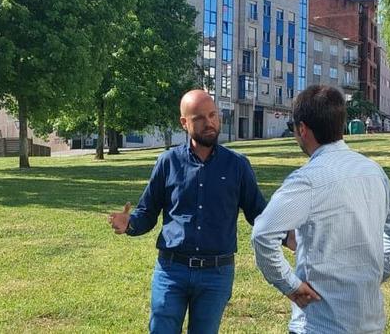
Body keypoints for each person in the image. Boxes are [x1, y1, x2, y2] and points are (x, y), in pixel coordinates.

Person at [108, 89, 281, 334]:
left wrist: (287, 235)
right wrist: (130, 223)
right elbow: (147, 212)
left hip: (216, 274)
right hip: (172, 271)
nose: (209, 122)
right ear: (184, 122)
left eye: (213, 115)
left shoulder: (237, 165)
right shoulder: (168, 162)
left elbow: (258, 213)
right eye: (199, 118)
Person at [251, 85, 390, 334]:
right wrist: (375, 271)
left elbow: (263, 234)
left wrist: (291, 286)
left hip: (320, 322)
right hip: (368, 321)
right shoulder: (372, 171)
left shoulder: (306, 181)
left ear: (302, 129)